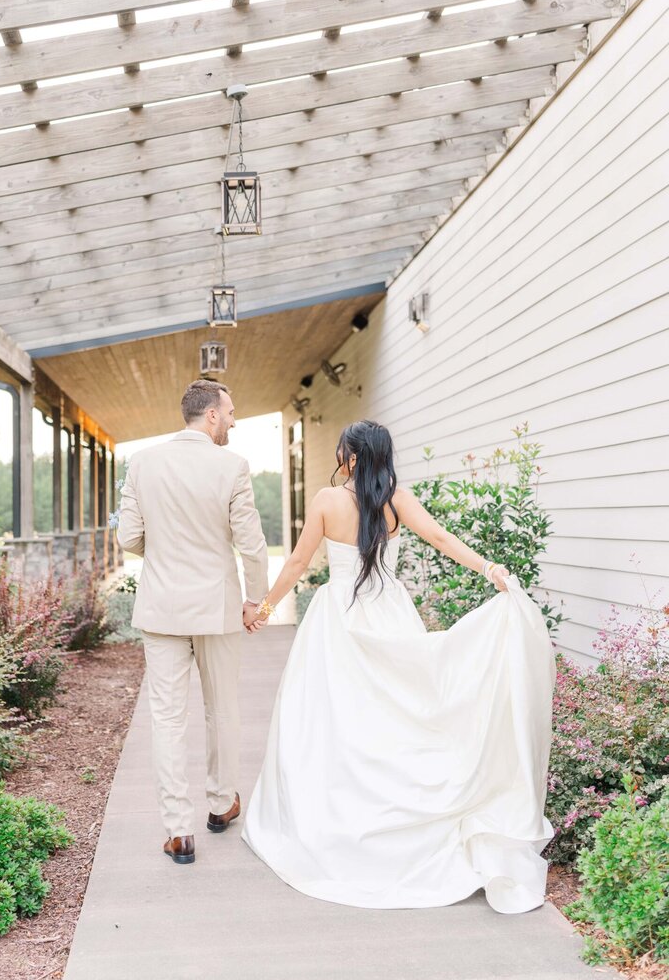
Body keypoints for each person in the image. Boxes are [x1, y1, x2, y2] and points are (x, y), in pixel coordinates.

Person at [241, 420, 556, 913]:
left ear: (349, 454)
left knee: (335, 716)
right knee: (400, 711)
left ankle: (339, 812)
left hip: (339, 616)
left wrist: (262, 608)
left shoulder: (327, 501)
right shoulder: (396, 498)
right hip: (388, 607)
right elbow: (441, 539)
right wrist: (488, 568)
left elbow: (298, 563)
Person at [117, 380, 268, 865]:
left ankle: (178, 831)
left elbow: (128, 537)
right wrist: (255, 601)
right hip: (218, 607)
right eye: (230, 412)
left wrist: (160, 553)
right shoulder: (232, 466)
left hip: (162, 606)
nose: (233, 421)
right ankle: (222, 805)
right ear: (210, 417)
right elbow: (252, 543)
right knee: (221, 709)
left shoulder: (142, 463)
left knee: (166, 717)